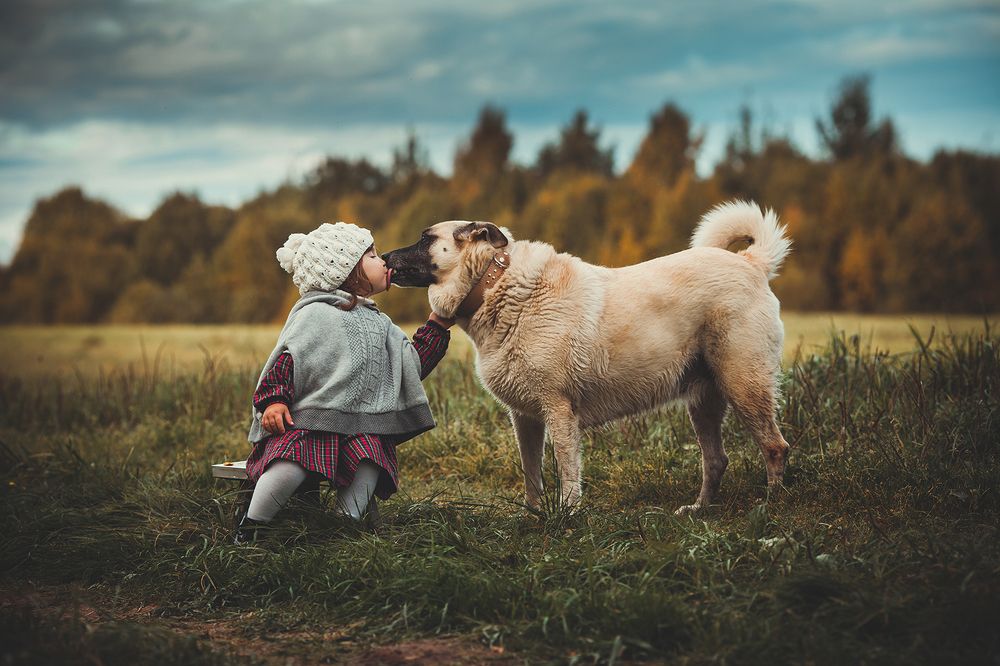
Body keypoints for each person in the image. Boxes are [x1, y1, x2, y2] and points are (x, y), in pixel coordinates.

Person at [235, 222, 452, 544]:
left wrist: (438, 324)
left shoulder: (381, 323)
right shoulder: (315, 316)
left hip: (362, 425)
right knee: (291, 459)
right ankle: (253, 526)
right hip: (310, 421)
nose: (384, 262)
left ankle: (344, 525)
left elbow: (409, 364)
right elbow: (287, 361)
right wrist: (274, 401)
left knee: (370, 456)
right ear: (347, 270)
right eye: (373, 255)